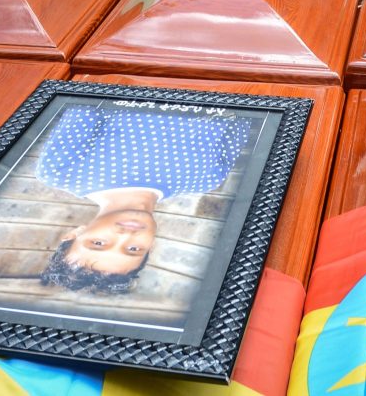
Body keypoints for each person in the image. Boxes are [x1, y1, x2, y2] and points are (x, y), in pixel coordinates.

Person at [35, 104, 252, 293]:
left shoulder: (62, 170)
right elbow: (244, 113)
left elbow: (94, 88)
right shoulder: (206, 179)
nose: (125, 235)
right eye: (133, 249)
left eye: (98, 243)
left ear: (74, 234)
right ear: (152, 246)